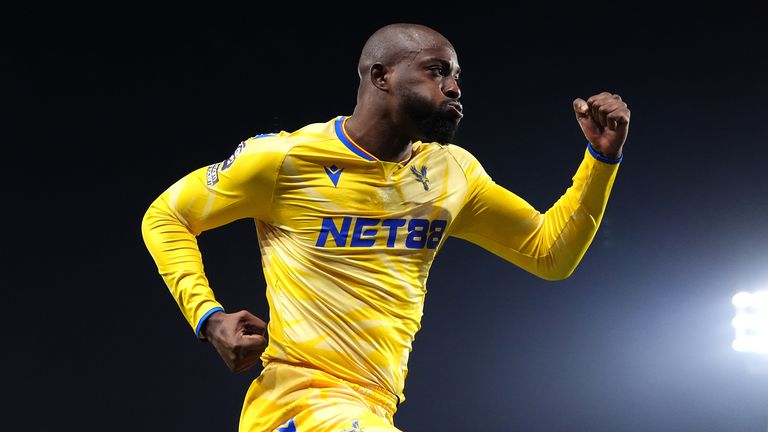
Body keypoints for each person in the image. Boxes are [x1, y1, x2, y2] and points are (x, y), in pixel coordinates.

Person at [141, 22, 629, 432]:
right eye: (437, 71)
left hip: (376, 404)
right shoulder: (284, 159)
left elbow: (549, 254)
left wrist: (601, 161)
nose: (455, 87)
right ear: (382, 76)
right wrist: (208, 317)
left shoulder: (452, 173)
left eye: (456, 75)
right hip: (298, 403)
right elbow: (166, 216)